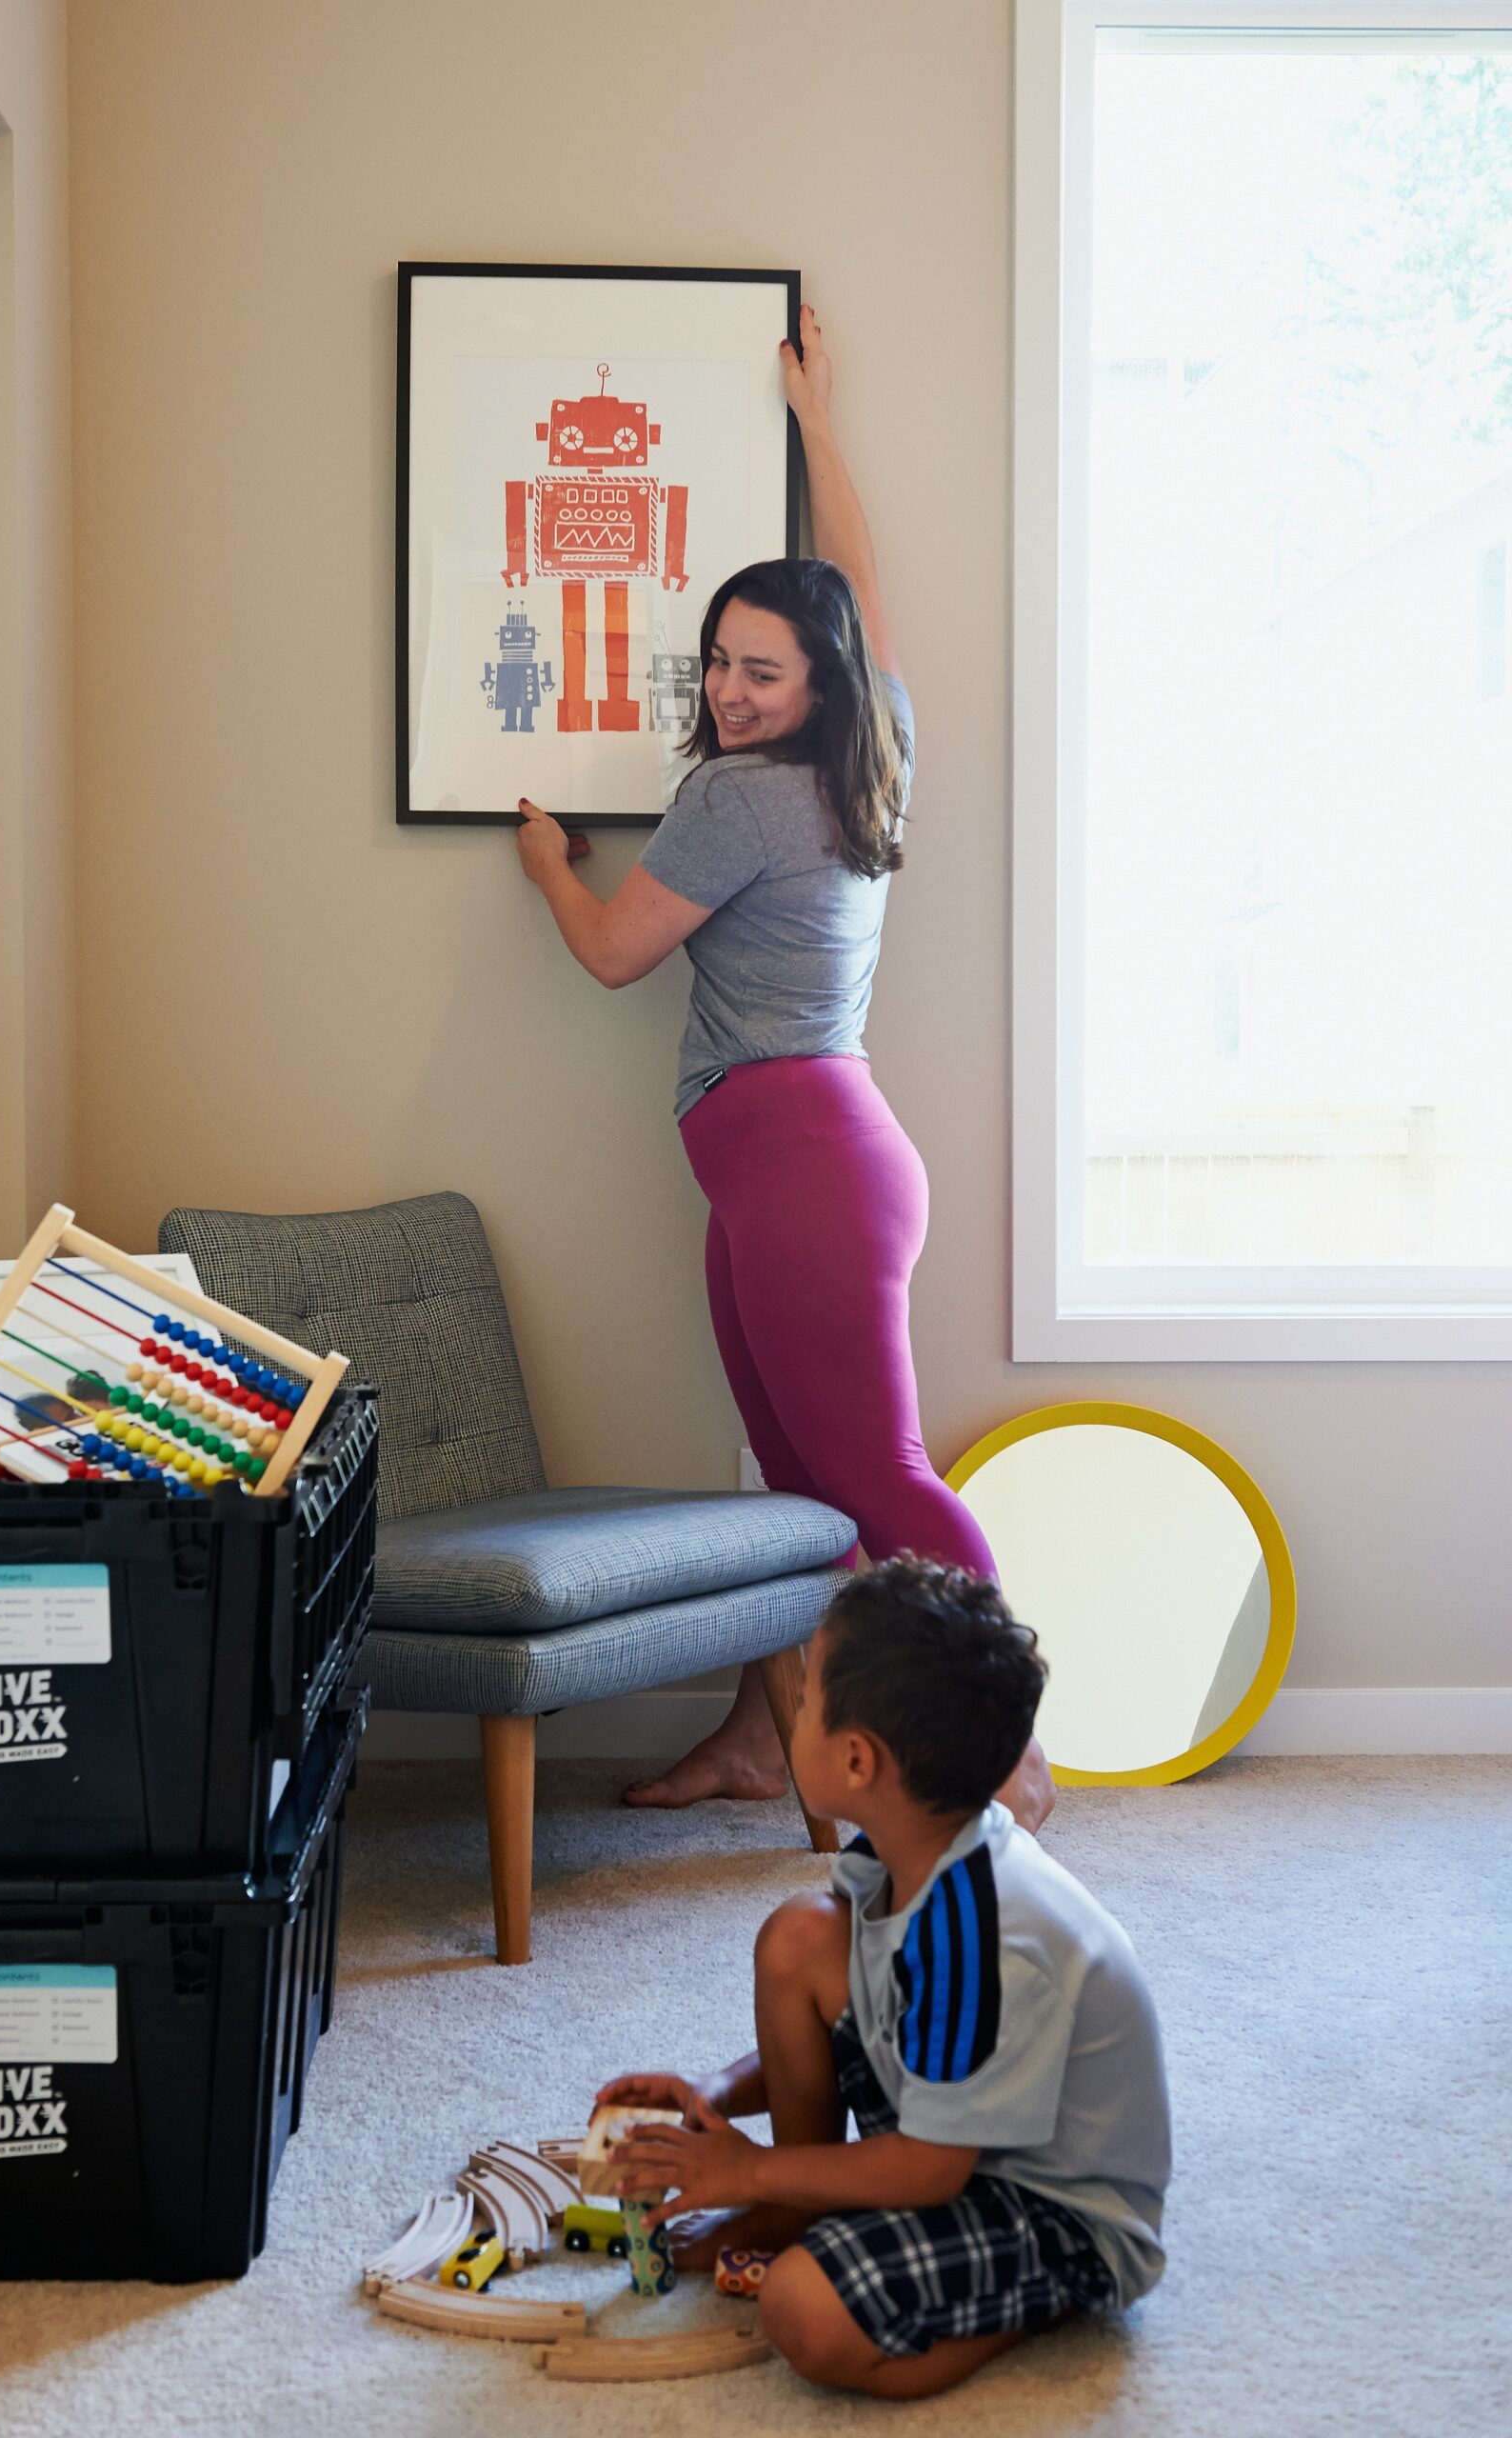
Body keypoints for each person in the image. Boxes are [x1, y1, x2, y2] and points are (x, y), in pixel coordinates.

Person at [514, 304, 1050, 1829]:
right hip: (797, 1167)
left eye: (763, 669)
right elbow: (864, 591)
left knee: (877, 1478)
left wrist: (552, 865)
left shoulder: (741, 800)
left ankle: (1012, 1747)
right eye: (722, 664)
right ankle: (769, 1735)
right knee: (796, 1490)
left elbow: (617, 951)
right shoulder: (873, 726)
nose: (735, 692)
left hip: (804, 1166)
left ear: (811, 680)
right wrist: (817, 420)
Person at [596, 1558, 1171, 2401]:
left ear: (858, 1760)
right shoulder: (909, 1846)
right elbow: (868, 2004)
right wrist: (718, 2094)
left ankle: (1034, 2306)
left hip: (1052, 2208)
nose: (792, 1714)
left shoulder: (976, 1936)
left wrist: (747, 2174)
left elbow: (929, 2173)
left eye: (806, 1702)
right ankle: (810, 2195)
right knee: (798, 1936)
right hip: (961, 2131)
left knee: (804, 2309)